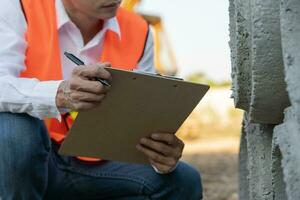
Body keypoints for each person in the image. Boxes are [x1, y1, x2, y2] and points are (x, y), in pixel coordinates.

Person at [0, 0, 203, 199]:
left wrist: (159, 155)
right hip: (24, 159)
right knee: (15, 129)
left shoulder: (139, 30)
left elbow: (138, 122)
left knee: (183, 181)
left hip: (88, 164)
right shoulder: (19, 7)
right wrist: (59, 94)